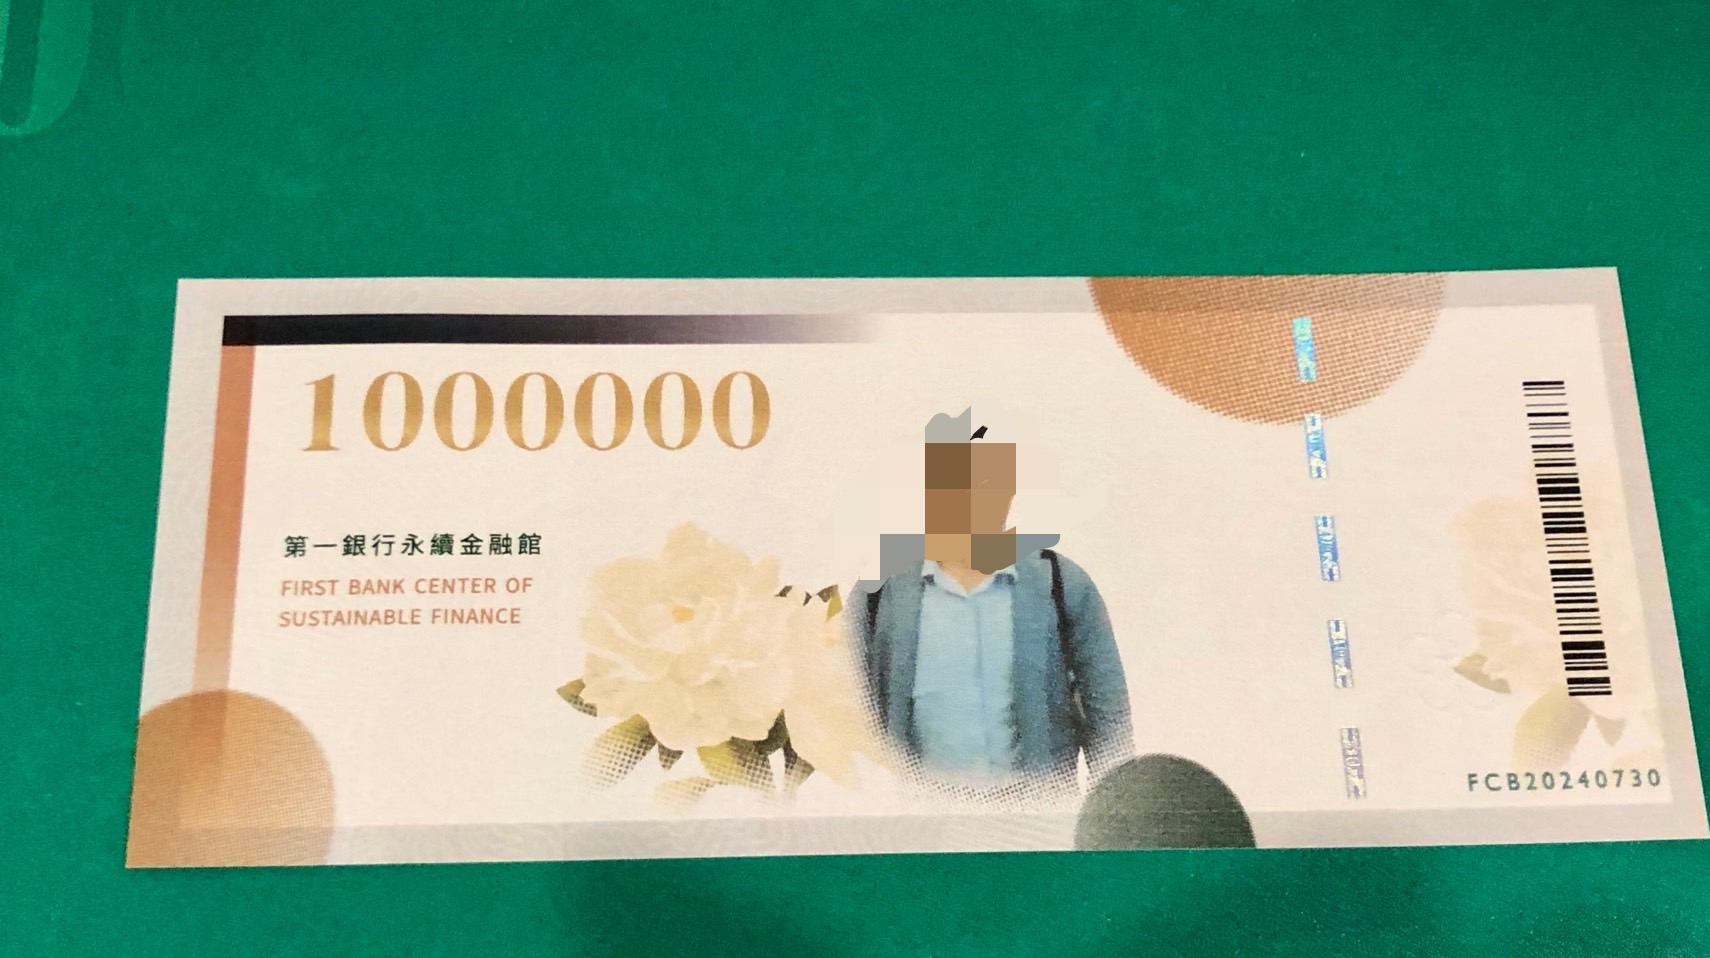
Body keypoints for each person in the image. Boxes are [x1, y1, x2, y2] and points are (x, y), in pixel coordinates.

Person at [850, 409, 1134, 797]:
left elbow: (1109, 718)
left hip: (1034, 816)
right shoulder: (878, 592)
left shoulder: (1062, 584)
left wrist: (1118, 814)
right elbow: (847, 714)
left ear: (1011, 489)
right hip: (923, 816)